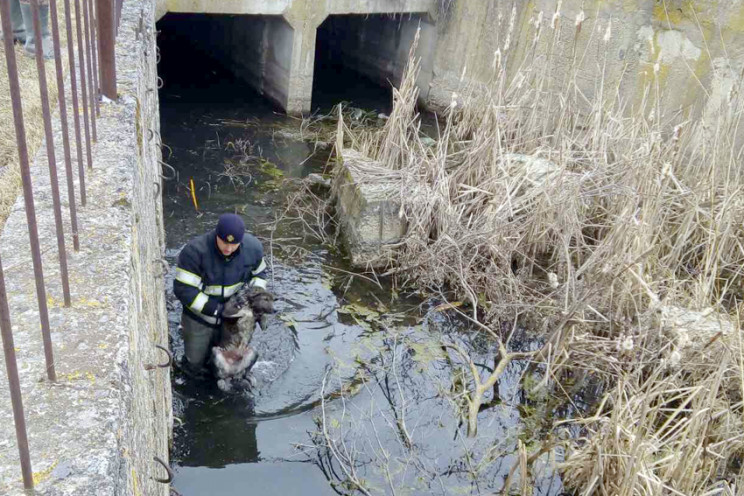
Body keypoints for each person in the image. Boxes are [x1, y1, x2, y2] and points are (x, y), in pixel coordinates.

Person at [174, 213, 268, 378]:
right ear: (217, 234)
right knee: (195, 365)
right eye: (224, 242)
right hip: (200, 317)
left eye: (234, 244)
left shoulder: (253, 249)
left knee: (235, 364)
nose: (229, 248)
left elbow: (259, 275)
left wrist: (258, 299)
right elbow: (184, 289)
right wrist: (217, 310)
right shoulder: (194, 252)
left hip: (234, 316)